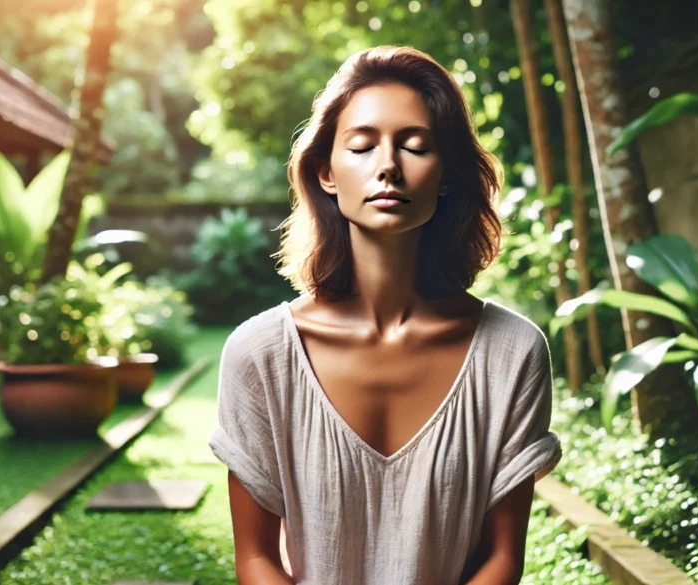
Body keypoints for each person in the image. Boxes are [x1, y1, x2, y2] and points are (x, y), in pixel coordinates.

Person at [207, 45, 562, 585]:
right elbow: (255, 558)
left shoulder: (511, 353)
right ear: (325, 171)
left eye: (415, 146)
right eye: (363, 145)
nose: (389, 167)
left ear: (446, 175)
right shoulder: (260, 354)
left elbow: (502, 560)